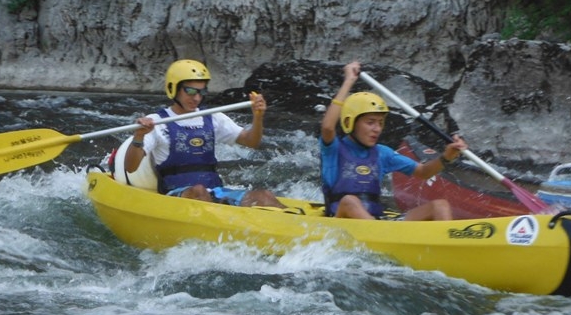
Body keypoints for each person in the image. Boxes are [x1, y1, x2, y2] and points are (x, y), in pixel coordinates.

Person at [125, 59, 285, 208]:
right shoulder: (156, 122)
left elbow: (251, 142)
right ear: (173, 89)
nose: (196, 98)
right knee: (199, 192)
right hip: (177, 195)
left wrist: (258, 117)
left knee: (265, 196)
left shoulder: (213, 117)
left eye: (202, 92)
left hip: (214, 192)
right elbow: (130, 167)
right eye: (190, 91)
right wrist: (139, 137)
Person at [320, 61, 468, 220]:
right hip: (340, 220)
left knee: (440, 206)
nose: (377, 129)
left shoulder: (383, 153)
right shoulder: (334, 149)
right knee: (349, 201)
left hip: (377, 221)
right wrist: (348, 81)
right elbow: (328, 127)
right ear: (349, 123)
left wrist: (446, 157)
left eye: (380, 123)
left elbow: (424, 172)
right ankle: (377, 238)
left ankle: (445, 243)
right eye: (370, 122)